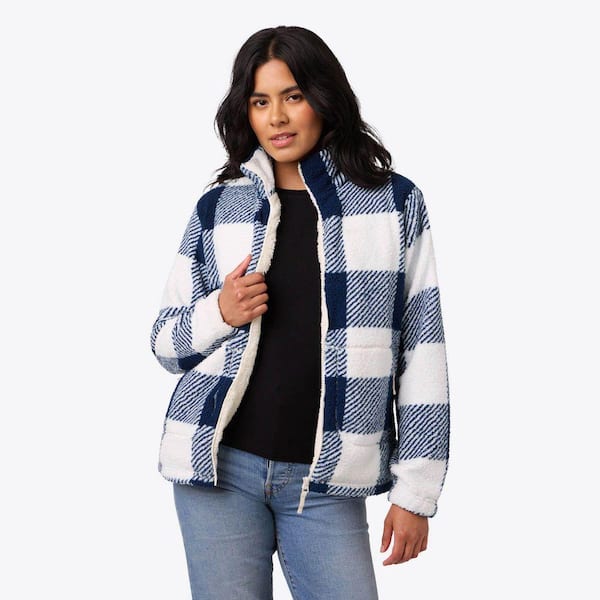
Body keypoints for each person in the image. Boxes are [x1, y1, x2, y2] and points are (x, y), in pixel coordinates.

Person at [149, 25, 450, 600]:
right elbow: (166, 343)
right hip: (218, 470)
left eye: (293, 96)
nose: (278, 118)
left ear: (323, 97)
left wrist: (415, 493)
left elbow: (423, 350)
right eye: (260, 102)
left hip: (327, 480)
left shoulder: (392, 204)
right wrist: (220, 312)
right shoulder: (220, 206)